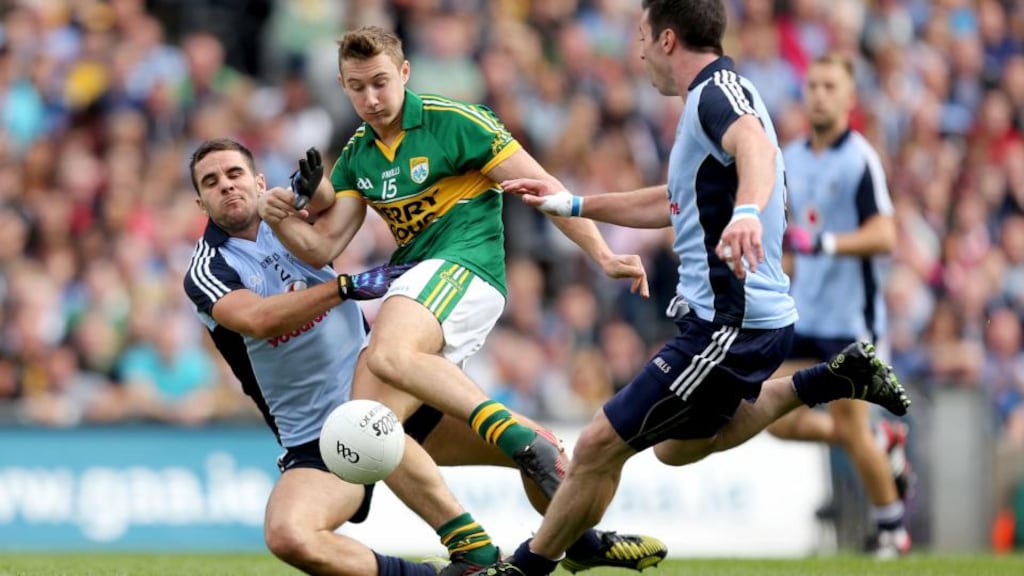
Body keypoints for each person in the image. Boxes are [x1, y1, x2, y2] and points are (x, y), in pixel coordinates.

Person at [472, 2, 911, 574]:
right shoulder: (718, 97)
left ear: (669, 40)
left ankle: (528, 565)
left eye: (642, 37)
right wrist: (576, 203)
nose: (639, 51)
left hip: (728, 325)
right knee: (675, 447)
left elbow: (754, 145)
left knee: (599, 443)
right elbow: (671, 200)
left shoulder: (714, 95)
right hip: (752, 319)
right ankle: (829, 378)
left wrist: (748, 211)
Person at [257, 25, 666, 573]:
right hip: (422, 286)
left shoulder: (457, 122)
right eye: (357, 88)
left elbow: (544, 188)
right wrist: (277, 216)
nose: (371, 99)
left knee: (384, 353)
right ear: (343, 86)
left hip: (465, 268)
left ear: (404, 74)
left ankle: (522, 438)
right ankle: (535, 543)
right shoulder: (357, 155)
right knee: (369, 427)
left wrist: (601, 254)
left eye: (381, 82)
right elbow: (323, 245)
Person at [183, 138, 664, 576]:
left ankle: (578, 544)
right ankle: (449, 570)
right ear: (200, 202)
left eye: (234, 174)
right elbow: (261, 319)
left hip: (389, 390)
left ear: (258, 180)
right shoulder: (208, 267)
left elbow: (332, 206)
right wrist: (345, 287)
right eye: (211, 182)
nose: (226, 186)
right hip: (319, 436)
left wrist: (321, 188)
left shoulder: (285, 217)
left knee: (544, 455)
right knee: (288, 535)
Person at [766, 53, 911, 557]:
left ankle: (891, 530)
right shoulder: (790, 156)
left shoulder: (860, 159)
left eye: (831, 86)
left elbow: (886, 233)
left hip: (852, 321)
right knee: (773, 416)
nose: (820, 94)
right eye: (813, 85)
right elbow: (785, 234)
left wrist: (827, 243)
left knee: (851, 428)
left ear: (850, 98)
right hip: (806, 314)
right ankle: (882, 444)